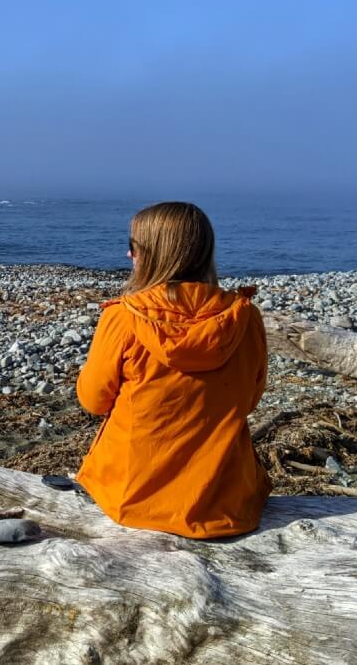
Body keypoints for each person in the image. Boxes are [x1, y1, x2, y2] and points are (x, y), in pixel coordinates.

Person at [75, 201, 271, 538]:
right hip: (225, 502)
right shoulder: (244, 318)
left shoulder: (123, 317)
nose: (128, 254)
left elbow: (93, 401)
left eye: (132, 246)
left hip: (132, 497)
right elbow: (249, 401)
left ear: (152, 254)